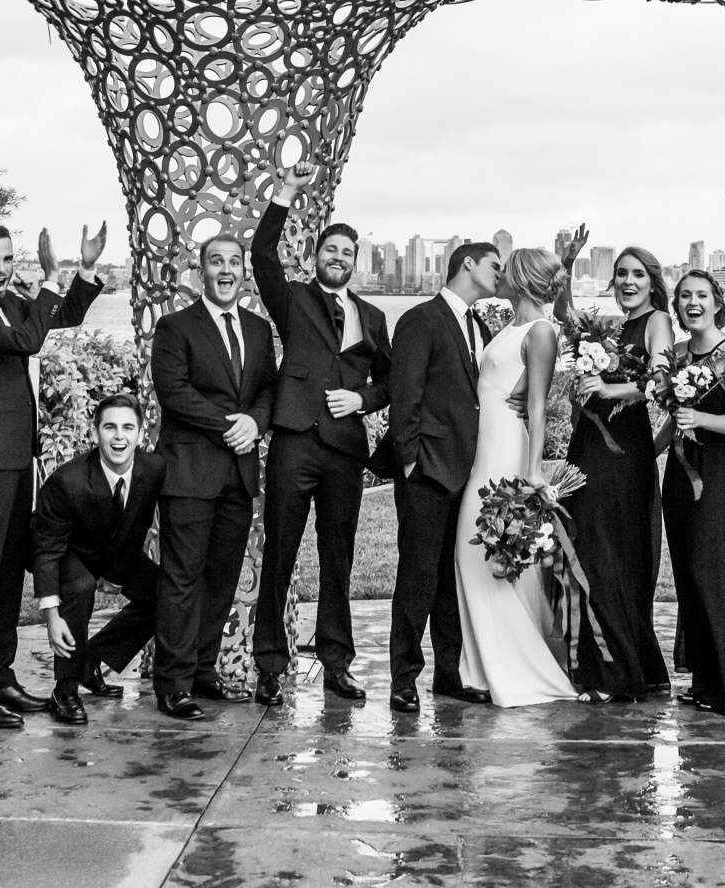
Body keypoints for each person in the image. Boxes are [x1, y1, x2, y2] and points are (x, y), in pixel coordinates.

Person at [0, 220, 105, 728]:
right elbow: (30, 341)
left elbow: (65, 316)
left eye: (9, 258)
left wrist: (84, 268)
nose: (3, 268)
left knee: (10, 571)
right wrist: (50, 278)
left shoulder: (10, 302)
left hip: (16, 457)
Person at [247, 159, 392, 706]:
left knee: (339, 558)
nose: (338, 258)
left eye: (347, 253)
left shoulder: (373, 317)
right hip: (293, 444)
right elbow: (262, 256)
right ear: (316, 258)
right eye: (330, 250)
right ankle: (270, 665)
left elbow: (391, 382)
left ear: (356, 263)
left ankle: (337, 663)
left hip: (343, 451)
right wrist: (285, 192)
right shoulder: (294, 301)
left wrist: (363, 398)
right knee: (280, 553)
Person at [149, 234, 275, 720]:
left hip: (238, 475)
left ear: (244, 271)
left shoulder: (259, 330)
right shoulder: (175, 327)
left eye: (234, 262)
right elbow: (173, 392)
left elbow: (268, 387)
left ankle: (203, 671)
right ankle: (173, 683)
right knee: (182, 579)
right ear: (201, 271)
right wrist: (233, 426)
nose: (226, 270)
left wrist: (257, 422)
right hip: (189, 471)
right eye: (216, 262)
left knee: (221, 579)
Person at [451, 248, 580, 707]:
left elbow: (538, 404)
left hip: (506, 451)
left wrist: (530, 472)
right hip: (484, 447)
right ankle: (482, 669)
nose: (498, 275)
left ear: (522, 279)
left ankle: (513, 668)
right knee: (472, 557)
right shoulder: (509, 326)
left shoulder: (540, 330)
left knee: (485, 555)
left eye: (506, 270)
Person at [386, 239, 505, 713]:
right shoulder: (421, 319)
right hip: (428, 470)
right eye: (494, 265)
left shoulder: (476, 322)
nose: (499, 273)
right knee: (416, 575)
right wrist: (412, 460)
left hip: (467, 472)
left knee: (450, 579)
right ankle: (403, 678)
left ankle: (448, 674)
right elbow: (405, 395)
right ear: (468, 263)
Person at [564, 244, 673, 701]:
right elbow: (568, 322)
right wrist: (567, 269)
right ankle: (619, 665)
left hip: (622, 456)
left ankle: (618, 672)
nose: (628, 282)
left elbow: (662, 380)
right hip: (589, 449)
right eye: (621, 274)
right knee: (589, 552)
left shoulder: (657, 322)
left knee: (611, 557)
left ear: (652, 281)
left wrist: (608, 388)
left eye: (637, 275)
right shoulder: (614, 329)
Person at [660, 267, 725, 714]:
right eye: (684, 296)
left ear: (718, 302)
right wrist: (646, 453)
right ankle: (705, 679)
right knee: (688, 576)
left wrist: (699, 420)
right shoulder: (677, 354)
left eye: (701, 294)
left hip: (720, 476)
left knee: (712, 572)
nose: (692, 302)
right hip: (680, 477)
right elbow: (670, 419)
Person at [32, 393, 166, 726]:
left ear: (139, 432)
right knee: (80, 586)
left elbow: (135, 526)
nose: (119, 437)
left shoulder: (153, 469)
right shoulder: (67, 481)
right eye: (110, 427)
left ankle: (91, 658)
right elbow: (47, 551)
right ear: (95, 433)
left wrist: (118, 573)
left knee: (166, 592)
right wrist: (51, 615)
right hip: (67, 551)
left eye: (127, 428)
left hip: (114, 551)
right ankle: (64, 690)